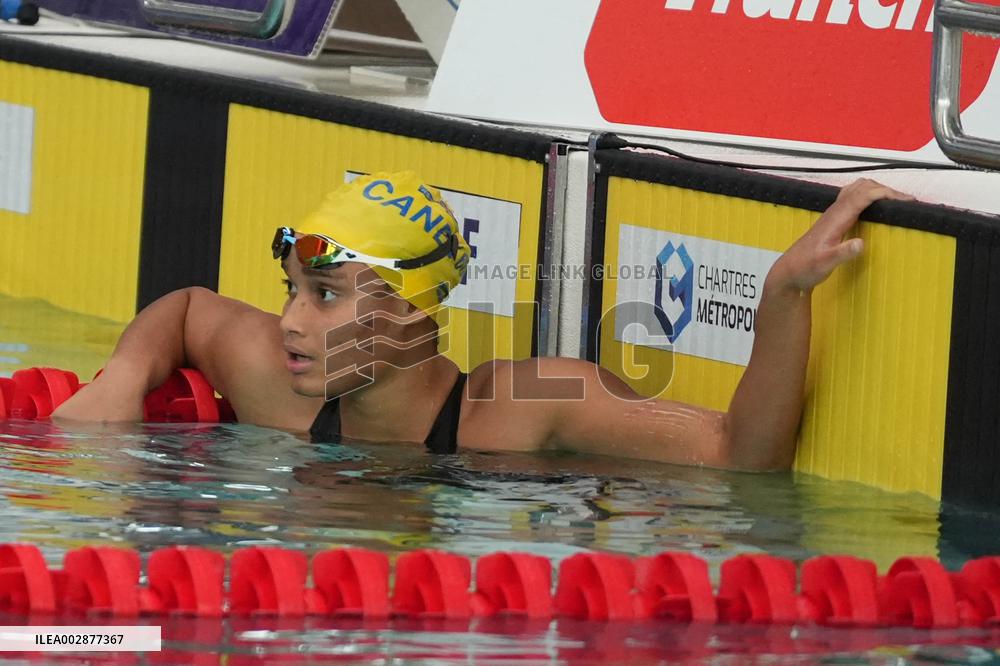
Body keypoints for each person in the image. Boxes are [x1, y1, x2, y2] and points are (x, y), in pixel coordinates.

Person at [53, 173, 912, 471]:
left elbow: (741, 455)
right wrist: (124, 377)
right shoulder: (280, 388)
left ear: (415, 312)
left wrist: (783, 296)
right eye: (289, 289)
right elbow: (190, 309)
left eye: (324, 293)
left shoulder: (528, 409)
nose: (287, 321)